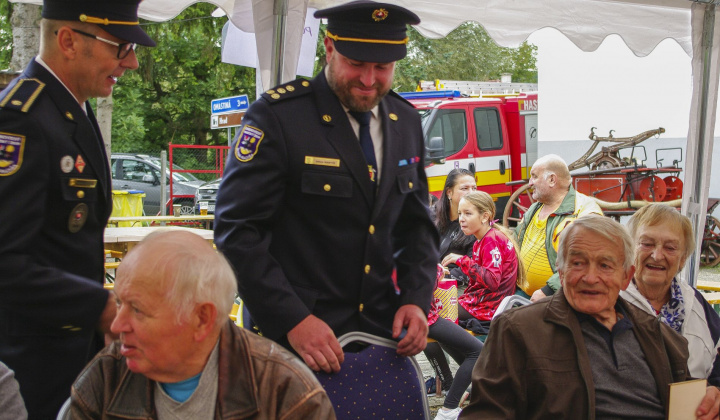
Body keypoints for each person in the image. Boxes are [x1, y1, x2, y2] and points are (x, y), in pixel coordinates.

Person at [214, 0, 439, 374]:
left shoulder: (406, 120)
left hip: (381, 339)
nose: (369, 80)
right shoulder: (278, 117)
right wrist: (292, 319)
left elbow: (416, 226)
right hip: (295, 343)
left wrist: (416, 298)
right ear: (330, 47)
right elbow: (238, 231)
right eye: (356, 63)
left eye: (382, 67)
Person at [0, 1, 155, 418]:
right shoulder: (20, 121)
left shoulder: (70, 111)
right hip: (30, 365)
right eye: (120, 47)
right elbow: (6, 261)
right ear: (68, 41)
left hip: (73, 351)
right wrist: (100, 308)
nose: (133, 63)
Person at [460, 215, 720, 419]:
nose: (590, 277)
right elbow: (486, 413)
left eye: (605, 265)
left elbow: (688, 407)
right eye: (578, 263)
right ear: (560, 273)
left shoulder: (661, 336)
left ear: (625, 277)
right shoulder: (518, 329)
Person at [71, 230, 335, 419]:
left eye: (137, 310)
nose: (117, 326)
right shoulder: (106, 376)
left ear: (202, 319)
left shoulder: (284, 391)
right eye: (119, 303)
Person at [621, 203, 720, 386]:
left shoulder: (696, 303)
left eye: (670, 248)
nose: (657, 256)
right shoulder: (611, 299)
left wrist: (716, 389)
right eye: (647, 243)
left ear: (683, 259)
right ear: (629, 249)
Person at [513, 154, 602, 302]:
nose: (530, 183)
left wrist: (548, 290)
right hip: (521, 293)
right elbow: (514, 242)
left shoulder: (584, 211)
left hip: (558, 298)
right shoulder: (535, 208)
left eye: (534, 176)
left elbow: (585, 260)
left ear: (552, 180)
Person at [423, 168, 477, 396]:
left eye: (474, 188)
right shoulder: (433, 216)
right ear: (449, 193)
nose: (471, 192)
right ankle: (446, 379)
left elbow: (474, 266)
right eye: (465, 188)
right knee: (427, 328)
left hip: (461, 288)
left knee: (435, 323)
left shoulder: (475, 220)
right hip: (431, 284)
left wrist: (448, 273)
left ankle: (460, 380)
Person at [442, 191, 524, 331]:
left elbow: (492, 281)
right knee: (436, 312)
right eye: (460, 213)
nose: (461, 219)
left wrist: (462, 260)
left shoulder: (491, 240)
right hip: (481, 301)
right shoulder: (482, 240)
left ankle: (474, 353)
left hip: (489, 307)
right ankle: (472, 353)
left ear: (485, 216)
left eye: (468, 213)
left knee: (435, 317)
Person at [426, 265, 483, 420]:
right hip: (423, 317)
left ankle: (461, 390)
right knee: (479, 352)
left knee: (456, 343)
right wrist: (438, 270)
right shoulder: (414, 247)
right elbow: (424, 278)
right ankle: (448, 409)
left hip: (407, 316)